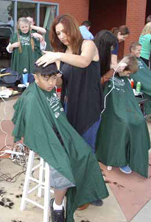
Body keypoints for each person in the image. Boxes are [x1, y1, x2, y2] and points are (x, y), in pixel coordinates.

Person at [12, 63, 108, 222]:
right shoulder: (32, 98)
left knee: (86, 154)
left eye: (54, 78)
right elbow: (34, 130)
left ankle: (85, 193)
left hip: (60, 133)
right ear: (35, 77)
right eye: (46, 79)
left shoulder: (48, 91)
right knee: (63, 167)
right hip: (46, 140)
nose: (51, 83)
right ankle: (57, 206)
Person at [36, 13, 104, 208]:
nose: (62, 36)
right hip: (70, 106)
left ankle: (89, 192)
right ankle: (79, 189)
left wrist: (57, 55)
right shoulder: (63, 53)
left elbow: (83, 62)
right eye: (58, 34)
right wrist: (46, 78)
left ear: (72, 28)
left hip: (89, 107)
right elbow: (61, 79)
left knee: (86, 151)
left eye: (64, 31)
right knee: (73, 150)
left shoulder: (87, 45)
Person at [95, 54, 151, 177]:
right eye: (128, 73)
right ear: (123, 69)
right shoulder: (109, 75)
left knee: (140, 121)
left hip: (124, 110)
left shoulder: (125, 79)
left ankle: (133, 156)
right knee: (124, 124)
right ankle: (120, 159)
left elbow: (127, 98)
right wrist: (114, 69)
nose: (129, 76)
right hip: (111, 112)